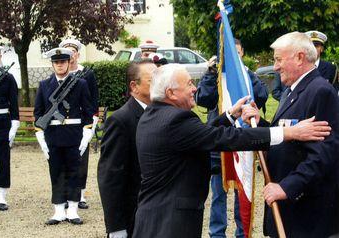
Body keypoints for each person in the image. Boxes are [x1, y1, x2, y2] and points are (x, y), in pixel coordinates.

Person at [132, 63, 331, 238]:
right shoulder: (175, 120)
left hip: (154, 216)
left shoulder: (153, 115)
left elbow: (203, 134)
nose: (195, 88)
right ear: (171, 93)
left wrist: (230, 115)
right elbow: (228, 138)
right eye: (189, 84)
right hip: (169, 223)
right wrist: (289, 133)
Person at [250, 31, 339, 237]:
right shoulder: (292, 90)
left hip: (307, 214)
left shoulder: (320, 91)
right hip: (289, 210)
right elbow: (287, 133)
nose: (275, 66)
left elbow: (324, 154)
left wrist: (287, 187)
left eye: (279, 59)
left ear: (300, 58)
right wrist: (258, 121)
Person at [195, 39, 269, 238]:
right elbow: (202, 98)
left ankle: (241, 232)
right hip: (220, 141)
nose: (233, 57)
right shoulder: (214, 76)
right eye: (229, 54)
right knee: (219, 193)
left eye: (237, 52)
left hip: (241, 141)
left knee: (241, 191)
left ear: (242, 53)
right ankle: (217, 233)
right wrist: (211, 74)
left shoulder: (247, 75)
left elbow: (262, 96)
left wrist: (246, 75)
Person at [34, 47, 94, 225]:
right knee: (56, 172)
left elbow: (88, 111)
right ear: (52, 64)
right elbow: (38, 113)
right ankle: (59, 210)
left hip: (74, 135)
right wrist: (41, 138)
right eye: (56, 62)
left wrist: (86, 133)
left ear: (69, 63)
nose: (60, 65)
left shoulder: (80, 84)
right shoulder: (45, 85)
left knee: (74, 172)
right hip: (53, 135)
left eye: (63, 62)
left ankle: (73, 210)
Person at [98, 59, 156, 238]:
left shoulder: (161, 113)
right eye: (152, 80)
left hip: (156, 215)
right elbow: (110, 175)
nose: (159, 83)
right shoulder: (121, 120)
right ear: (134, 86)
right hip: (133, 217)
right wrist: (116, 226)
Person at [59, 39, 99, 209]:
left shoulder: (87, 74)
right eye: (67, 52)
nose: (71, 55)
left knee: (81, 159)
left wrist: (92, 125)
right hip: (63, 123)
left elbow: (93, 101)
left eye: (73, 52)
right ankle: (66, 193)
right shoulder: (60, 74)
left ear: (77, 54)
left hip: (82, 122)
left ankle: (80, 195)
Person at [0, 42, 19, 211]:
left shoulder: (8, 78)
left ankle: (1, 193)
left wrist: (14, 124)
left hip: (2, 120)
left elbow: (14, 103)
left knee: (3, 158)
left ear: (0, 58)